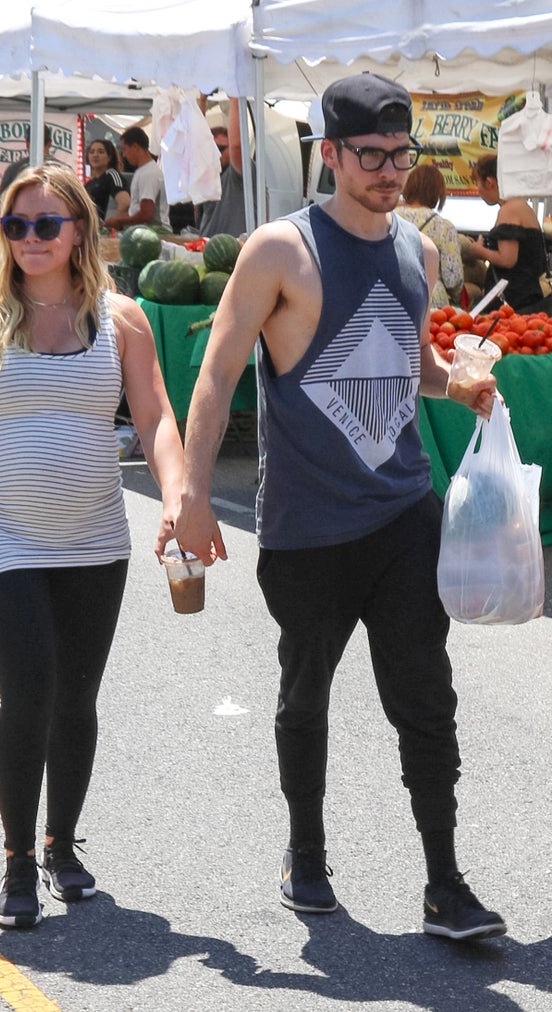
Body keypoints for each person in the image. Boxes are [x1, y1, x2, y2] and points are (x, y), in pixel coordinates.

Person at [173, 72, 506, 943]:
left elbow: (402, 365)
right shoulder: (281, 250)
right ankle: (307, 852)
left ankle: (444, 882)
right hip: (308, 529)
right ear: (330, 154)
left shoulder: (418, 252)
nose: (390, 171)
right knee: (304, 697)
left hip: (403, 516)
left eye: (402, 155)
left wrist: (455, 384)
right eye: (371, 155)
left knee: (426, 701)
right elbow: (216, 376)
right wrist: (193, 494)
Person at [0, 163, 183, 930]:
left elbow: (154, 419)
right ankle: (18, 858)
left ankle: (60, 844)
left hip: (94, 540)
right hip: (3, 539)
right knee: (30, 692)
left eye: (46, 224)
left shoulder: (120, 320)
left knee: (77, 699)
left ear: (80, 229)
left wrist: (179, 497)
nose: (29, 239)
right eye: (15, 226)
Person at [467, 153, 551, 313]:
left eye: (477, 181)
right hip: (527, 298)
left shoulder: (509, 210)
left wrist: (479, 251)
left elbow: (507, 259)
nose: (477, 189)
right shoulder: (522, 207)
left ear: (489, 182)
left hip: (516, 303)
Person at [395, 163, 464, 309]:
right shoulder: (444, 228)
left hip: (393, 296)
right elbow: (453, 279)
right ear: (438, 193)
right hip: (432, 301)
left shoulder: (388, 218)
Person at [196, 97, 249, 238]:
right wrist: (201, 101)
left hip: (234, 252)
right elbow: (197, 143)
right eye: (213, 149)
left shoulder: (239, 173)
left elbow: (236, 146)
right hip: (207, 249)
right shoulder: (208, 173)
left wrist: (235, 98)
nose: (216, 153)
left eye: (221, 148)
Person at [104, 126, 170, 232]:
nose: (124, 155)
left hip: (154, 232)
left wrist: (119, 221)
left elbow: (146, 214)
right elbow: (137, 210)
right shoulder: (143, 171)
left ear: (135, 147)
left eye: (125, 149)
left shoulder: (149, 173)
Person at [0, 124, 53, 207]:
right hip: (54, 218)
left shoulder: (13, 170)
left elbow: (2, 202)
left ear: (27, 143)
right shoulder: (63, 170)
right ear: (50, 144)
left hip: (23, 218)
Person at [85, 138, 130, 224]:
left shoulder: (112, 176)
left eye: (101, 152)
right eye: (92, 152)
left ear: (109, 157)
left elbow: (125, 202)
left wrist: (112, 226)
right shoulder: (89, 183)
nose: (95, 155)